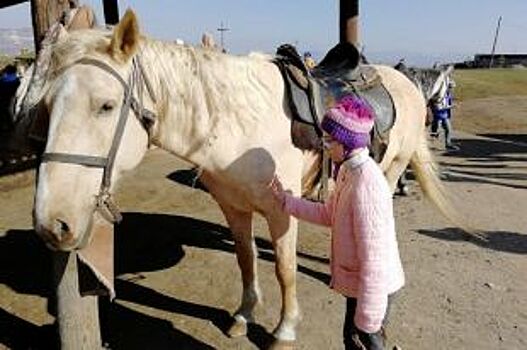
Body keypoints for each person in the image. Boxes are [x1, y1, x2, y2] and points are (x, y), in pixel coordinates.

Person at [271, 95, 405, 350]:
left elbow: (375, 258)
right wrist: (286, 201)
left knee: (358, 342)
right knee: (351, 341)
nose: (325, 146)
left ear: (348, 143)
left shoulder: (366, 185)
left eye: (329, 140)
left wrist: (368, 319)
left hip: (373, 292)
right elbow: (328, 215)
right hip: (361, 288)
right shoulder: (348, 171)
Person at [431, 79, 459, 151]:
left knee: (448, 129)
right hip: (438, 115)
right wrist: (451, 106)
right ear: (448, 87)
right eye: (451, 88)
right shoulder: (441, 95)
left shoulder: (448, 94)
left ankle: (448, 144)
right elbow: (439, 107)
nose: (452, 89)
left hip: (444, 115)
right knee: (436, 132)